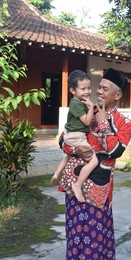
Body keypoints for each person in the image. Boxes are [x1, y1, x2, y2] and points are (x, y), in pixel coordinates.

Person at [58, 68, 131, 260]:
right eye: (98, 87)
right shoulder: (84, 111)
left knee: (95, 238)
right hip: (73, 183)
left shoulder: (123, 122)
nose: (98, 91)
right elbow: (63, 139)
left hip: (98, 190)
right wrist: (74, 150)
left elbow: (116, 151)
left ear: (117, 95)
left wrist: (103, 125)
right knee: (74, 234)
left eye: (104, 89)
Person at [50, 70, 98, 202]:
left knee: (67, 156)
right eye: (83, 89)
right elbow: (87, 122)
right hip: (77, 137)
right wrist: (91, 106)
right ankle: (77, 184)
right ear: (72, 90)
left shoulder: (78, 103)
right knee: (94, 161)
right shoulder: (76, 104)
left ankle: (56, 174)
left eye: (89, 88)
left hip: (70, 136)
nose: (87, 92)